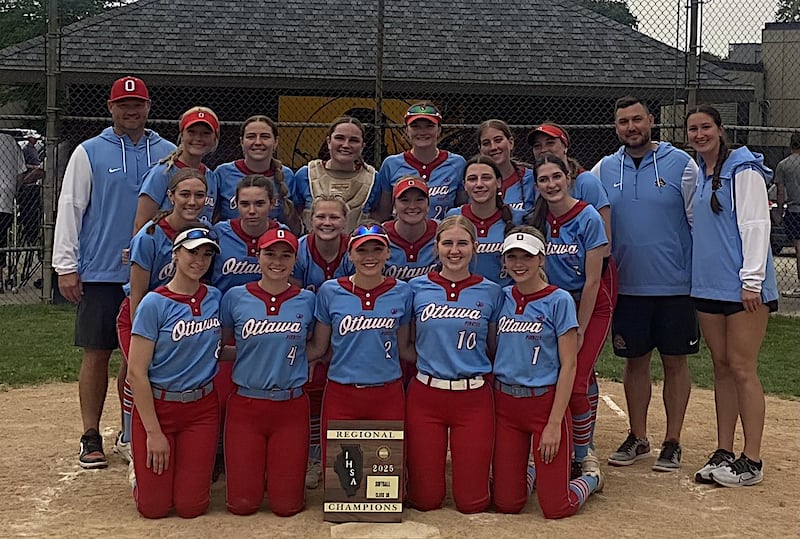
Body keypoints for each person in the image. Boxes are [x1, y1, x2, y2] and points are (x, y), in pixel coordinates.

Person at [53, 76, 175, 468]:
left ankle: (130, 428)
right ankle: (90, 434)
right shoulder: (89, 152)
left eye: (137, 103)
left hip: (154, 274)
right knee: (97, 353)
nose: (130, 111)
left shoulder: (168, 153)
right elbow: (71, 208)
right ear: (111, 108)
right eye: (123, 104)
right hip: (102, 271)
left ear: (148, 107)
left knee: (140, 358)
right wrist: (66, 267)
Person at [591, 96, 699, 472]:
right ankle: (637, 436)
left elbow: (696, 220)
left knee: (675, 363)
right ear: (616, 127)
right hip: (628, 286)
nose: (631, 127)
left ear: (651, 121)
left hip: (674, 285)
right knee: (634, 364)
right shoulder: (604, 168)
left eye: (637, 119)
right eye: (623, 122)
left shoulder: (682, 165)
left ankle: (673, 441)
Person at [685, 105, 778, 487]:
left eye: (706, 127)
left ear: (721, 130)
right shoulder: (700, 173)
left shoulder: (743, 168)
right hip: (709, 284)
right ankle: (724, 450)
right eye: (692, 129)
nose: (699, 134)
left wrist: (752, 279)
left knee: (742, 368)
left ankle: (751, 459)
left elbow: (757, 224)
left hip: (743, 287)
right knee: (721, 367)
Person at [492, 226, 603, 518]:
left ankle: (590, 479)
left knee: (556, 507)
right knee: (507, 503)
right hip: (506, 406)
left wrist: (554, 424)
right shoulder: (500, 297)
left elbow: (569, 365)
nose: (518, 263)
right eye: (512, 257)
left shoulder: (559, 300)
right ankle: (531, 472)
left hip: (544, 405)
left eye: (526, 256)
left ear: (541, 259)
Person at [220, 228, 320, 516]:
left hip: (290, 405)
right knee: (242, 505)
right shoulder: (235, 297)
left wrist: (296, 360)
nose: (277, 261)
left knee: (286, 506)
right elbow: (219, 345)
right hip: (246, 404)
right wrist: (253, 356)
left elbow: (316, 346)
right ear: (258, 256)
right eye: (270, 254)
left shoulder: (307, 300)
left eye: (285, 255)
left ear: (294, 260)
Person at [406, 215, 502, 513]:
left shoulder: (491, 291)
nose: (454, 250)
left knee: (472, 503)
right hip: (426, 395)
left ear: (475, 247)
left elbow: (494, 346)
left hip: (473, 396)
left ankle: (526, 474)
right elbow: (405, 344)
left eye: (462, 243)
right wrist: (430, 361)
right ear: (436, 247)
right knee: (425, 500)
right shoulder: (415, 288)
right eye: (447, 243)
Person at [126, 224, 221, 518]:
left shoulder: (215, 297)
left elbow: (222, 348)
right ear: (176, 255)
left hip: (201, 410)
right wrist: (154, 432)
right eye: (192, 253)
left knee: (191, 507)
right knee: (153, 509)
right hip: (160, 407)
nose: (199, 260)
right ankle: (138, 475)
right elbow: (136, 373)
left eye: (206, 254)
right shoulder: (154, 303)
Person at [526, 154, 611, 479]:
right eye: (543, 179)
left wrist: (580, 330)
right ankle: (556, 445)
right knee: (555, 376)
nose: (551, 184)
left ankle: (583, 453)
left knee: (575, 379)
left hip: (587, 305)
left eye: (556, 177)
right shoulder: (538, 218)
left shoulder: (587, 216)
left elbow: (593, 281)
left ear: (569, 177)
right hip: (551, 308)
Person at [116, 167, 209, 463]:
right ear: (170, 196)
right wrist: (141, 334)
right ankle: (130, 438)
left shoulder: (206, 233)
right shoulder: (151, 235)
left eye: (199, 195)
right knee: (139, 375)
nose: (192, 201)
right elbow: (138, 293)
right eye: (184, 194)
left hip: (181, 319)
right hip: (142, 315)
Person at [309, 223, 416, 476]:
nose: (370, 257)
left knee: (387, 488)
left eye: (377, 249)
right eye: (362, 250)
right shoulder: (330, 291)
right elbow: (319, 347)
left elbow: (404, 348)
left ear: (388, 253)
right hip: (342, 393)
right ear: (350, 255)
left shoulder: (402, 291)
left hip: (387, 392)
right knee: (343, 488)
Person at [289, 194, 354, 488]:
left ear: (346, 221)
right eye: (320, 217)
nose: (327, 223)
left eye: (334, 217)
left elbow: (356, 301)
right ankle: (310, 457)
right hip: (307, 331)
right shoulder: (300, 250)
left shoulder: (355, 249)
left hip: (346, 332)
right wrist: (314, 349)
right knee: (309, 393)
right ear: (309, 219)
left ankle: (332, 458)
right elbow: (295, 302)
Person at [366, 102, 467, 221]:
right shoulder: (391, 164)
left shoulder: (457, 163)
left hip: (443, 236)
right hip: (404, 235)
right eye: (415, 126)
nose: (422, 132)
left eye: (429, 126)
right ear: (406, 130)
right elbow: (383, 213)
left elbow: (463, 210)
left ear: (439, 130)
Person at [134, 107, 220, 230]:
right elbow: (141, 224)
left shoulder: (211, 177)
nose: (198, 138)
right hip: (163, 247)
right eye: (191, 132)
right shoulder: (163, 172)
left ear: (214, 138)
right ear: (182, 134)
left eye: (206, 133)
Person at [214, 116, 302, 235]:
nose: (258, 142)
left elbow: (294, 216)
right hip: (233, 245)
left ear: (275, 142)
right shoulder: (223, 173)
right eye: (251, 137)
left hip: (273, 246)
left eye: (265, 137)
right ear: (241, 142)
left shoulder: (287, 175)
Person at [446, 155, 523, 286]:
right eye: (472, 179)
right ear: (464, 185)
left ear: (498, 182)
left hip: (508, 296)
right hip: (467, 296)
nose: (479, 184)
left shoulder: (517, 217)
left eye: (486, 178)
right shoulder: (455, 217)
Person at [295, 116, 376, 233]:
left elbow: (380, 215)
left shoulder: (373, 179)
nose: (346, 145)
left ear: (362, 146)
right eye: (339, 138)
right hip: (313, 248)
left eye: (354, 140)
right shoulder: (305, 175)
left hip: (356, 249)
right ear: (329, 142)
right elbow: (295, 215)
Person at [383, 176, 438, 281]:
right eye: (405, 200)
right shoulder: (379, 235)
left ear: (428, 204)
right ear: (394, 205)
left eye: (419, 200)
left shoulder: (443, 232)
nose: (412, 206)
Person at [477, 119, 535, 211]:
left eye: (498, 140)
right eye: (486, 143)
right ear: (480, 149)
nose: (493, 147)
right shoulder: (475, 183)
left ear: (511, 143)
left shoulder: (532, 179)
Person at [0, 133, 26, 293]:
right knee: (2, 238)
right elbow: (20, 173)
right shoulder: (10, 141)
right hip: (7, 195)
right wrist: (15, 190)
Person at [775, 132, 800, 298]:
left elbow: (780, 192)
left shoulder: (784, 165)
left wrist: (779, 210)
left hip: (794, 210)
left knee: (798, 248)